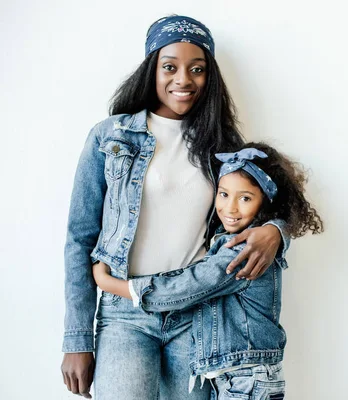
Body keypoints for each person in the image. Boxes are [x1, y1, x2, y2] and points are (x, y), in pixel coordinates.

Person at [61, 16, 288, 399]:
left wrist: (276, 231)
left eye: (197, 70)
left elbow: (265, 203)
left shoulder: (223, 144)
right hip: (124, 315)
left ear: (209, 77)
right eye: (170, 67)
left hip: (198, 313)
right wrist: (76, 339)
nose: (183, 79)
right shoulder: (111, 136)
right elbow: (78, 237)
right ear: (152, 69)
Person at [92, 143, 324, 399]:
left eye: (245, 198)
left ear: (266, 202)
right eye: (223, 194)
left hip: (245, 381)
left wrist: (108, 283)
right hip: (238, 379)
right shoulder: (230, 240)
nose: (231, 208)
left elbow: (188, 285)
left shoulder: (242, 250)